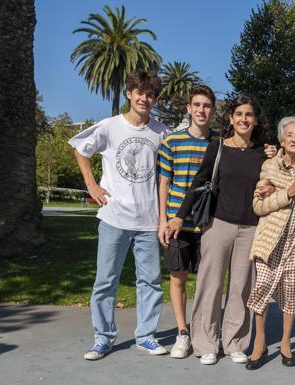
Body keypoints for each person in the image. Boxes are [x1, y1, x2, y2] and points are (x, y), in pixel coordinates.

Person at [69, 69, 170, 360]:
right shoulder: (110, 126)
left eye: (150, 95)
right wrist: (91, 185)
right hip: (114, 218)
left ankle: (146, 336)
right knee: (105, 281)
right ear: (129, 94)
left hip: (149, 221)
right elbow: (80, 149)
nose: (145, 99)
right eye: (140, 93)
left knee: (150, 281)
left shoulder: (162, 132)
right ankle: (103, 338)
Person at [166, 94, 267, 366]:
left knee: (241, 288)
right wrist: (178, 217)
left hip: (251, 228)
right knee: (209, 286)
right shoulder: (218, 147)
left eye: (249, 115)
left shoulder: (263, 153)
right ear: (231, 119)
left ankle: (235, 342)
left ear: (256, 121)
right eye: (239, 114)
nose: (244, 119)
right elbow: (198, 183)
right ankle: (205, 343)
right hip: (218, 224)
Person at [244, 116, 295, 370]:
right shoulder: (269, 167)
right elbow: (258, 205)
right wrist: (286, 193)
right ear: (281, 140)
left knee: (290, 290)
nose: (294, 139)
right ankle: (260, 341)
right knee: (263, 283)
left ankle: (286, 343)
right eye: (289, 135)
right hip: (271, 239)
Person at [156, 85, 218, 359]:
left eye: (207, 106)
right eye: (197, 105)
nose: (201, 110)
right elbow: (164, 184)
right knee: (178, 277)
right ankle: (183, 333)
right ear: (189, 108)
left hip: (209, 223)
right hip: (177, 224)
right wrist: (163, 221)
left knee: (209, 282)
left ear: (213, 111)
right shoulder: (172, 142)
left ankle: (204, 332)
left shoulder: (220, 142)